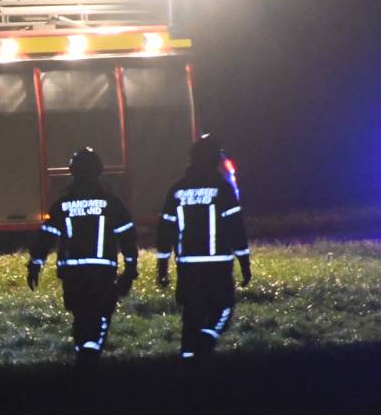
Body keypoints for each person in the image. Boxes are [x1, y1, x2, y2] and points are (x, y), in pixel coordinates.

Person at [27, 148, 139, 368]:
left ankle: (84, 361)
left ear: (73, 172)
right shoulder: (112, 204)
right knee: (101, 315)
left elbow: (46, 238)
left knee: (80, 317)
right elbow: (128, 237)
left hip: (73, 275)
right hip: (102, 273)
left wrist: (35, 264)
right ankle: (91, 360)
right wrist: (130, 268)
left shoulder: (62, 205)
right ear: (99, 172)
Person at [155, 135, 252, 360]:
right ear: (214, 160)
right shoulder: (223, 188)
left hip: (187, 266)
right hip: (217, 264)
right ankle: (205, 342)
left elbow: (165, 231)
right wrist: (244, 263)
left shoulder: (176, 190)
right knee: (224, 307)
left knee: (191, 315)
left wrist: (162, 267)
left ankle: (188, 364)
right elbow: (236, 229)